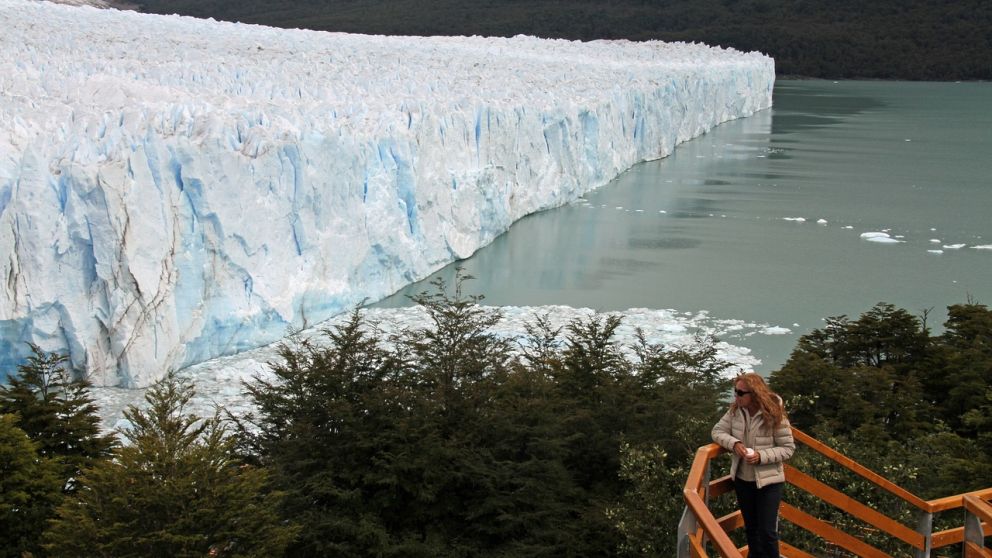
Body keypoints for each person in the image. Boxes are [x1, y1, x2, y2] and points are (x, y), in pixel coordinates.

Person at [711, 372, 795, 558]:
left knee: (767, 532)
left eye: (741, 393)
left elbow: (788, 448)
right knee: (752, 530)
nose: (737, 396)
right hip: (743, 480)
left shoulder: (774, 414)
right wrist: (735, 443)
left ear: (755, 394)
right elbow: (717, 432)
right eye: (735, 392)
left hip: (769, 482)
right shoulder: (734, 412)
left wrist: (760, 456)